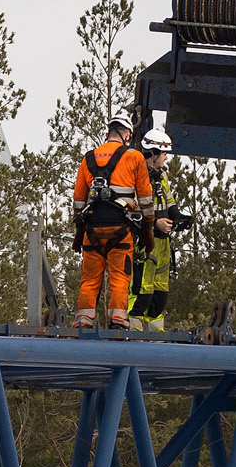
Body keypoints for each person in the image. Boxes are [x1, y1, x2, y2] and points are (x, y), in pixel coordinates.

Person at [70, 110, 153, 329]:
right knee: (120, 277)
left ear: (108, 132)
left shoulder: (88, 158)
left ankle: (83, 320)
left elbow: (78, 200)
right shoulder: (135, 157)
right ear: (126, 133)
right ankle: (117, 320)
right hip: (121, 230)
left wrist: (79, 232)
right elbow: (145, 197)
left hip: (92, 230)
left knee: (89, 280)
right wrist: (148, 228)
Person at [128, 128, 178, 331]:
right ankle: (135, 327)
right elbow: (133, 207)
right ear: (154, 153)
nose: (166, 158)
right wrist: (156, 222)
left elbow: (169, 200)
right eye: (164, 153)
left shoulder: (162, 176)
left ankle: (156, 329)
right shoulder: (137, 175)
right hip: (144, 239)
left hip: (163, 242)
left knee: (161, 289)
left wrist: (178, 217)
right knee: (141, 285)